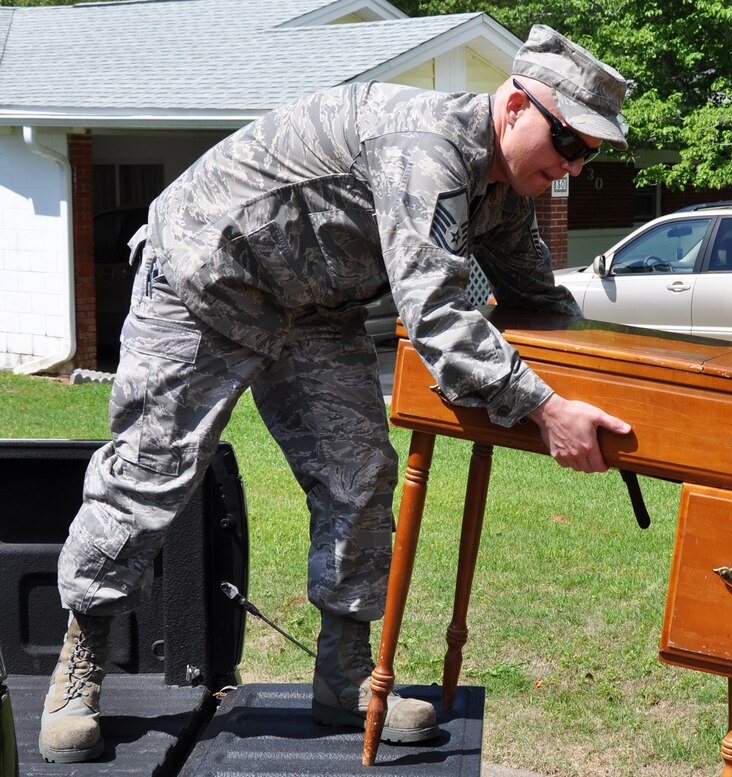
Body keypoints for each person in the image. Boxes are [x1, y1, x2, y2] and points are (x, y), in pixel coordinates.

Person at [38, 24, 632, 764]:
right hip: (203, 282)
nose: (572, 167)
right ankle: (79, 662)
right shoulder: (429, 149)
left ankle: (344, 679)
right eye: (568, 143)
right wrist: (545, 409)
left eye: (589, 155)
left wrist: (619, 378)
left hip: (312, 311)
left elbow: (540, 299)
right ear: (515, 108)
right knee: (149, 476)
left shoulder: (502, 192)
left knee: (360, 475)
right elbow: (441, 318)